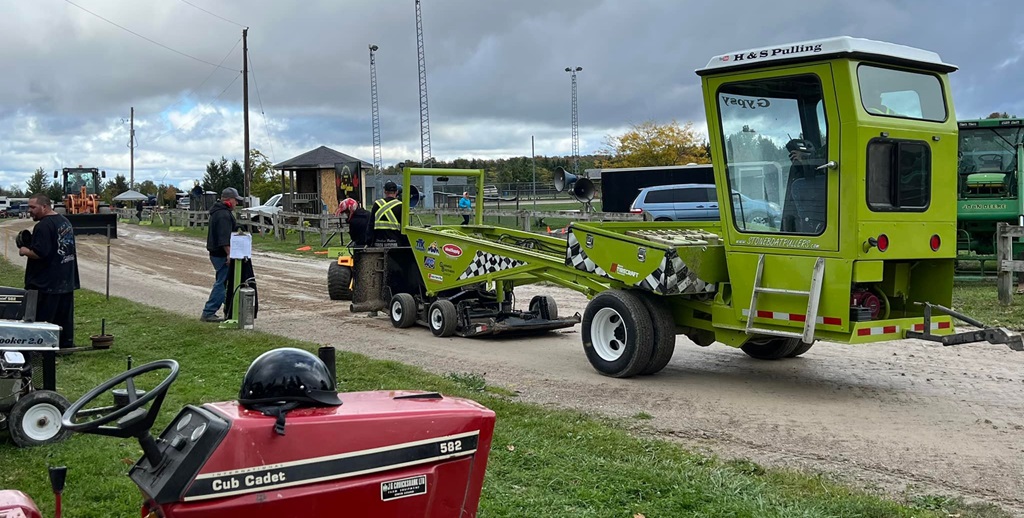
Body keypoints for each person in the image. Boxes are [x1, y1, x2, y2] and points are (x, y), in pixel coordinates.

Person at [18, 194, 80, 349]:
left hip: (46, 282)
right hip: (66, 279)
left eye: (33, 207)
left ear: (44, 207)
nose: (30, 211)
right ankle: (65, 344)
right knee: (63, 317)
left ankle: (43, 346)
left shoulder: (43, 225)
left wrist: (24, 250)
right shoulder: (64, 221)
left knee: (43, 318)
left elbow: (40, 253)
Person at [201, 187, 243, 322]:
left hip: (215, 252)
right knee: (222, 282)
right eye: (236, 200)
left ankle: (230, 308)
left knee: (225, 281)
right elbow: (224, 237)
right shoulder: (223, 214)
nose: (237, 203)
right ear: (229, 200)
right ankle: (209, 311)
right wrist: (229, 254)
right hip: (221, 254)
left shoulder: (219, 212)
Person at [368, 181, 404, 247]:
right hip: (396, 244)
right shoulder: (401, 206)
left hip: (378, 244)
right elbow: (404, 228)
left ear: (385, 192)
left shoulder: (377, 204)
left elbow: (370, 225)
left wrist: (369, 242)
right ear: (396, 192)